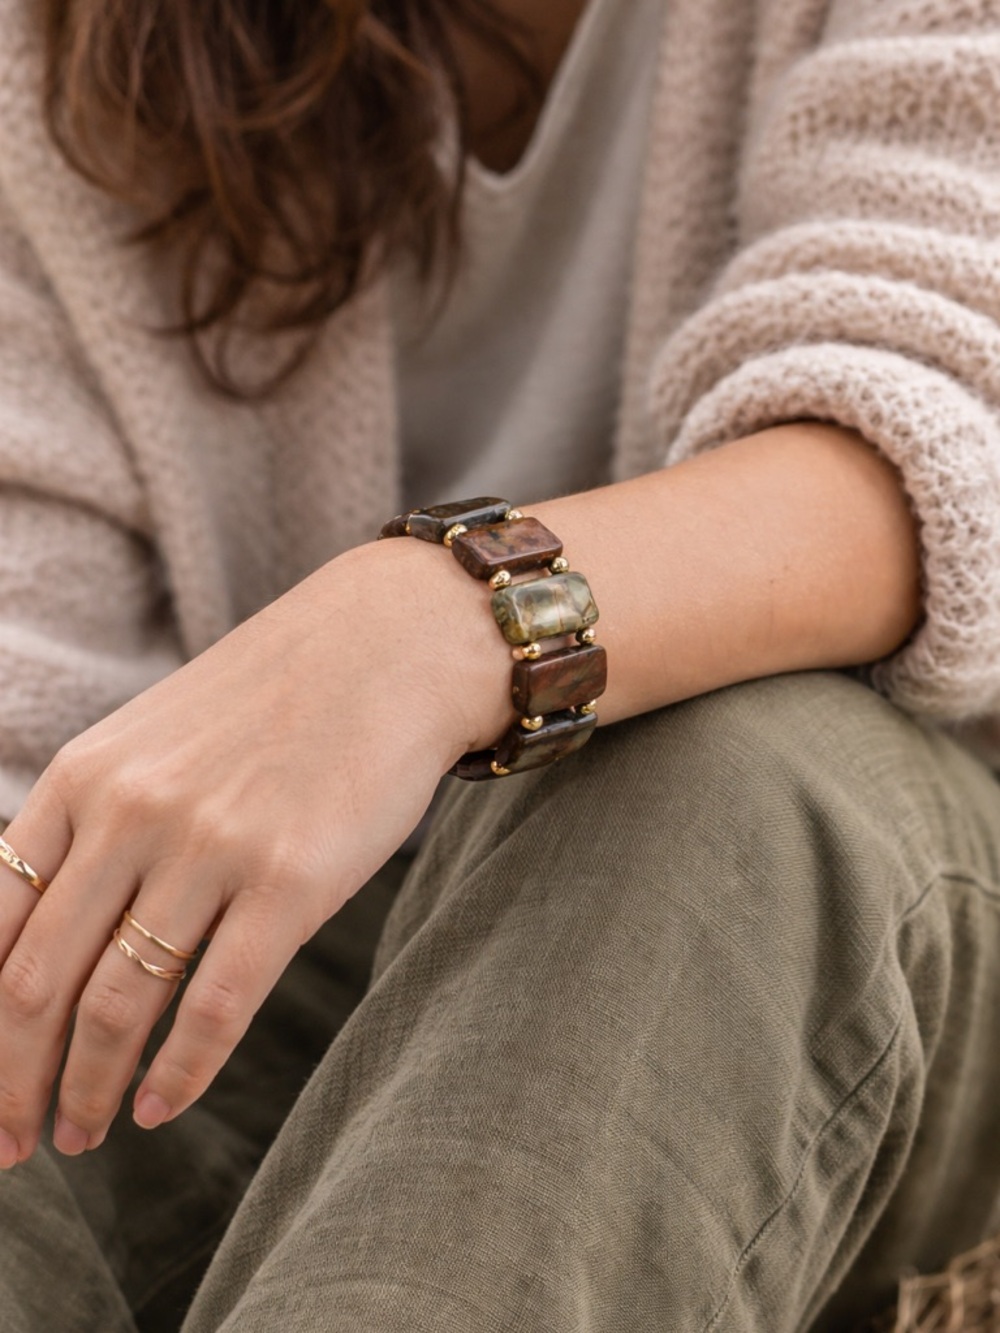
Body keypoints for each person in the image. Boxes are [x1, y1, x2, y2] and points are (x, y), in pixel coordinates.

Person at [0, 0, 998, 1328]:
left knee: (711, 784)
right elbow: (44, 731)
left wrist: (430, 629)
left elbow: (940, 440)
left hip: (852, 890)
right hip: (320, 952)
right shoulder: (57, 59)